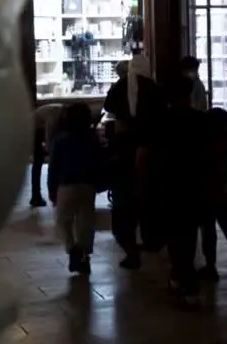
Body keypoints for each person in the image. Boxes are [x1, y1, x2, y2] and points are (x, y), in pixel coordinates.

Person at [144, 75, 214, 309]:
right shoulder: (200, 120)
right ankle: (182, 278)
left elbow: (149, 156)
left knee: (174, 238)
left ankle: (185, 281)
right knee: (189, 236)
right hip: (194, 185)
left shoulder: (160, 121)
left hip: (168, 185)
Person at [104, 54, 164, 269]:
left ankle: (129, 247)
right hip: (150, 150)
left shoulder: (120, 87)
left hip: (124, 149)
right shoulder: (153, 88)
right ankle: (152, 239)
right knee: (149, 197)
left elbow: (109, 107)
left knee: (124, 199)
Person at [49, 103, 102, 276]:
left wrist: (51, 188)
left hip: (67, 184)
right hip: (88, 184)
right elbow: (99, 161)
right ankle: (84, 253)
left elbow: (54, 166)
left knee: (63, 220)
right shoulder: (92, 138)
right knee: (86, 220)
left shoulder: (61, 139)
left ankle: (72, 249)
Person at [199, 107, 227, 282]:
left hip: (207, 191)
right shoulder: (226, 141)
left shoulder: (206, 143)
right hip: (221, 191)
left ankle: (211, 265)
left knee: (208, 230)